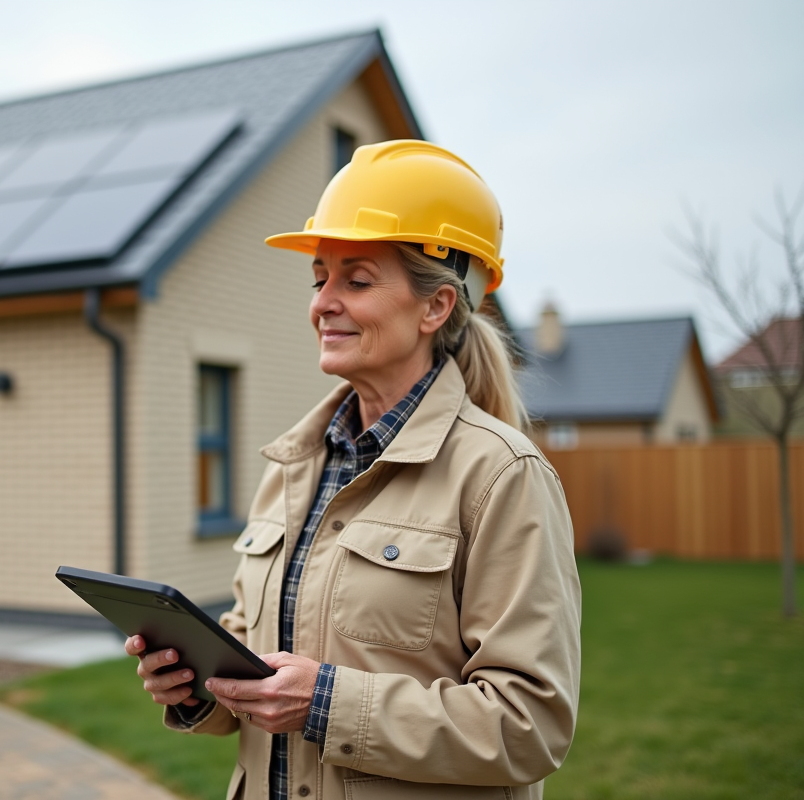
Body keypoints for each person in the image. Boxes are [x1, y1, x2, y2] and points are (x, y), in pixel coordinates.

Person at [125, 140, 581, 800]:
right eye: (319, 278)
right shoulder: (291, 467)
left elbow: (529, 727)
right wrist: (199, 690)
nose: (322, 303)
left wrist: (325, 703)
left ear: (436, 308)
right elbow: (262, 671)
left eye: (356, 280)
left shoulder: (502, 478)